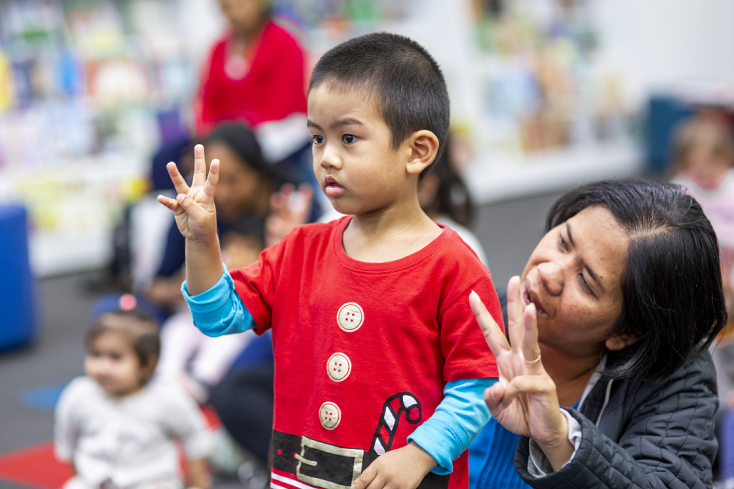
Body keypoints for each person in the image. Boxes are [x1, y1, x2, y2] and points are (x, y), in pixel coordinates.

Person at [157, 33, 502, 489]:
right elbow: (219, 316)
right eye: (318, 138)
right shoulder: (301, 248)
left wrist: (420, 454)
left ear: (417, 152)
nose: (327, 158)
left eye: (349, 137)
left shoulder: (453, 266)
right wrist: (202, 241)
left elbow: (478, 385)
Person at [468, 179, 727, 488]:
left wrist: (559, 439)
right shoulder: (468, 312)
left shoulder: (676, 379)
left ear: (627, 333)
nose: (548, 273)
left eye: (586, 282)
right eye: (563, 242)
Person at [152, 122, 276, 393]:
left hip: (243, 317)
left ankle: (200, 382)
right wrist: (190, 281)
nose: (224, 193)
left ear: (259, 175)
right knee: (176, 333)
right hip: (192, 312)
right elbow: (155, 285)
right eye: (215, 181)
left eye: (234, 180)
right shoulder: (192, 212)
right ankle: (165, 380)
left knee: (224, 342)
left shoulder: (278, 216)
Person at [54, 310, 212, 489]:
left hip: (151, 481)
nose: (103, 367)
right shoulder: (78, 394)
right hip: (96, 481)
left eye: (115, 357)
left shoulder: (167, 398)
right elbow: (67, 441)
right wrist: (82, 477)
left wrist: (197, 482)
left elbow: (195, 436)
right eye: (96, 354)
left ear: (147, 365)